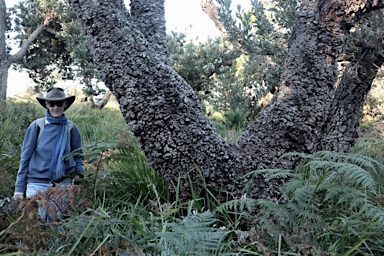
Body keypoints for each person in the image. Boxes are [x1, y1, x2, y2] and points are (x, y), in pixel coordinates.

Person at [12, 87, 84, 201]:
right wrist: (19, 189)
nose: (55, 107)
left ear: (64, 104)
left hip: (63, 185)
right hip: (37, 183)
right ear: (47, 104)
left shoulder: (71, 128)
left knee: (59, 218)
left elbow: (78, 156)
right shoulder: (37, 126)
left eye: (59, 103)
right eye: (52, 103)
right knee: (37, 217)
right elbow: (25, 158)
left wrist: (78, 177)